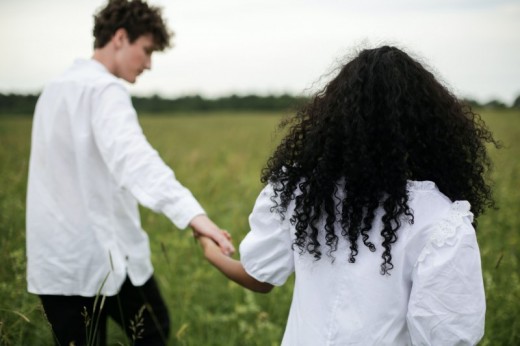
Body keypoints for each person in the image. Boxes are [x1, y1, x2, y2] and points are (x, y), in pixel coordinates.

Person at [197, 45, 498, 345]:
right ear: (429, 126)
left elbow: (259, 279)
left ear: (335, 119)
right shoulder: (440, 221)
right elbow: (449, 337)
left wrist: (210, 250)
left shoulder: (303, 194)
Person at [26, 0, 234, 345]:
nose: (149, 64)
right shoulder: (104, 90)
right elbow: (137, 161)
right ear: (120, 37)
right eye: (147, 50)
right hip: (101, 252)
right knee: (153, 331)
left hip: (56, 260)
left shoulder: (54, 88)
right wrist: (194, 216)